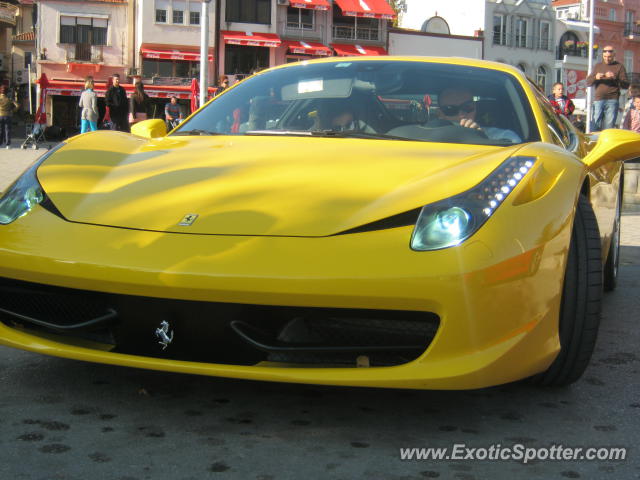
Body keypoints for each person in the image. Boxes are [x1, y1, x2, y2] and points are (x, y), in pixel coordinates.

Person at [436, 86, 521, 143]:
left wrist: (481, 139)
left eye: (467, 107)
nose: (461, 115)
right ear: (440, 114)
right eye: (451, 110)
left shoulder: (504, 138)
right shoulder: (426, 137)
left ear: (475, 108)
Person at [586, 46, 629, 131]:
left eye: (609, 57)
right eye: (605, 56)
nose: (607, 58)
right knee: (595, 124)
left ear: (614, 55)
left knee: (608, 126)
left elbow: (626, 85)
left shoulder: (619, 66)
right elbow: (588, 82)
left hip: (612, 100)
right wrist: (596, 77)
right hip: (598, 99)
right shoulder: (598, 66)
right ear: (602, 55)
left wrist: (615, 77)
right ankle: (594, 143)